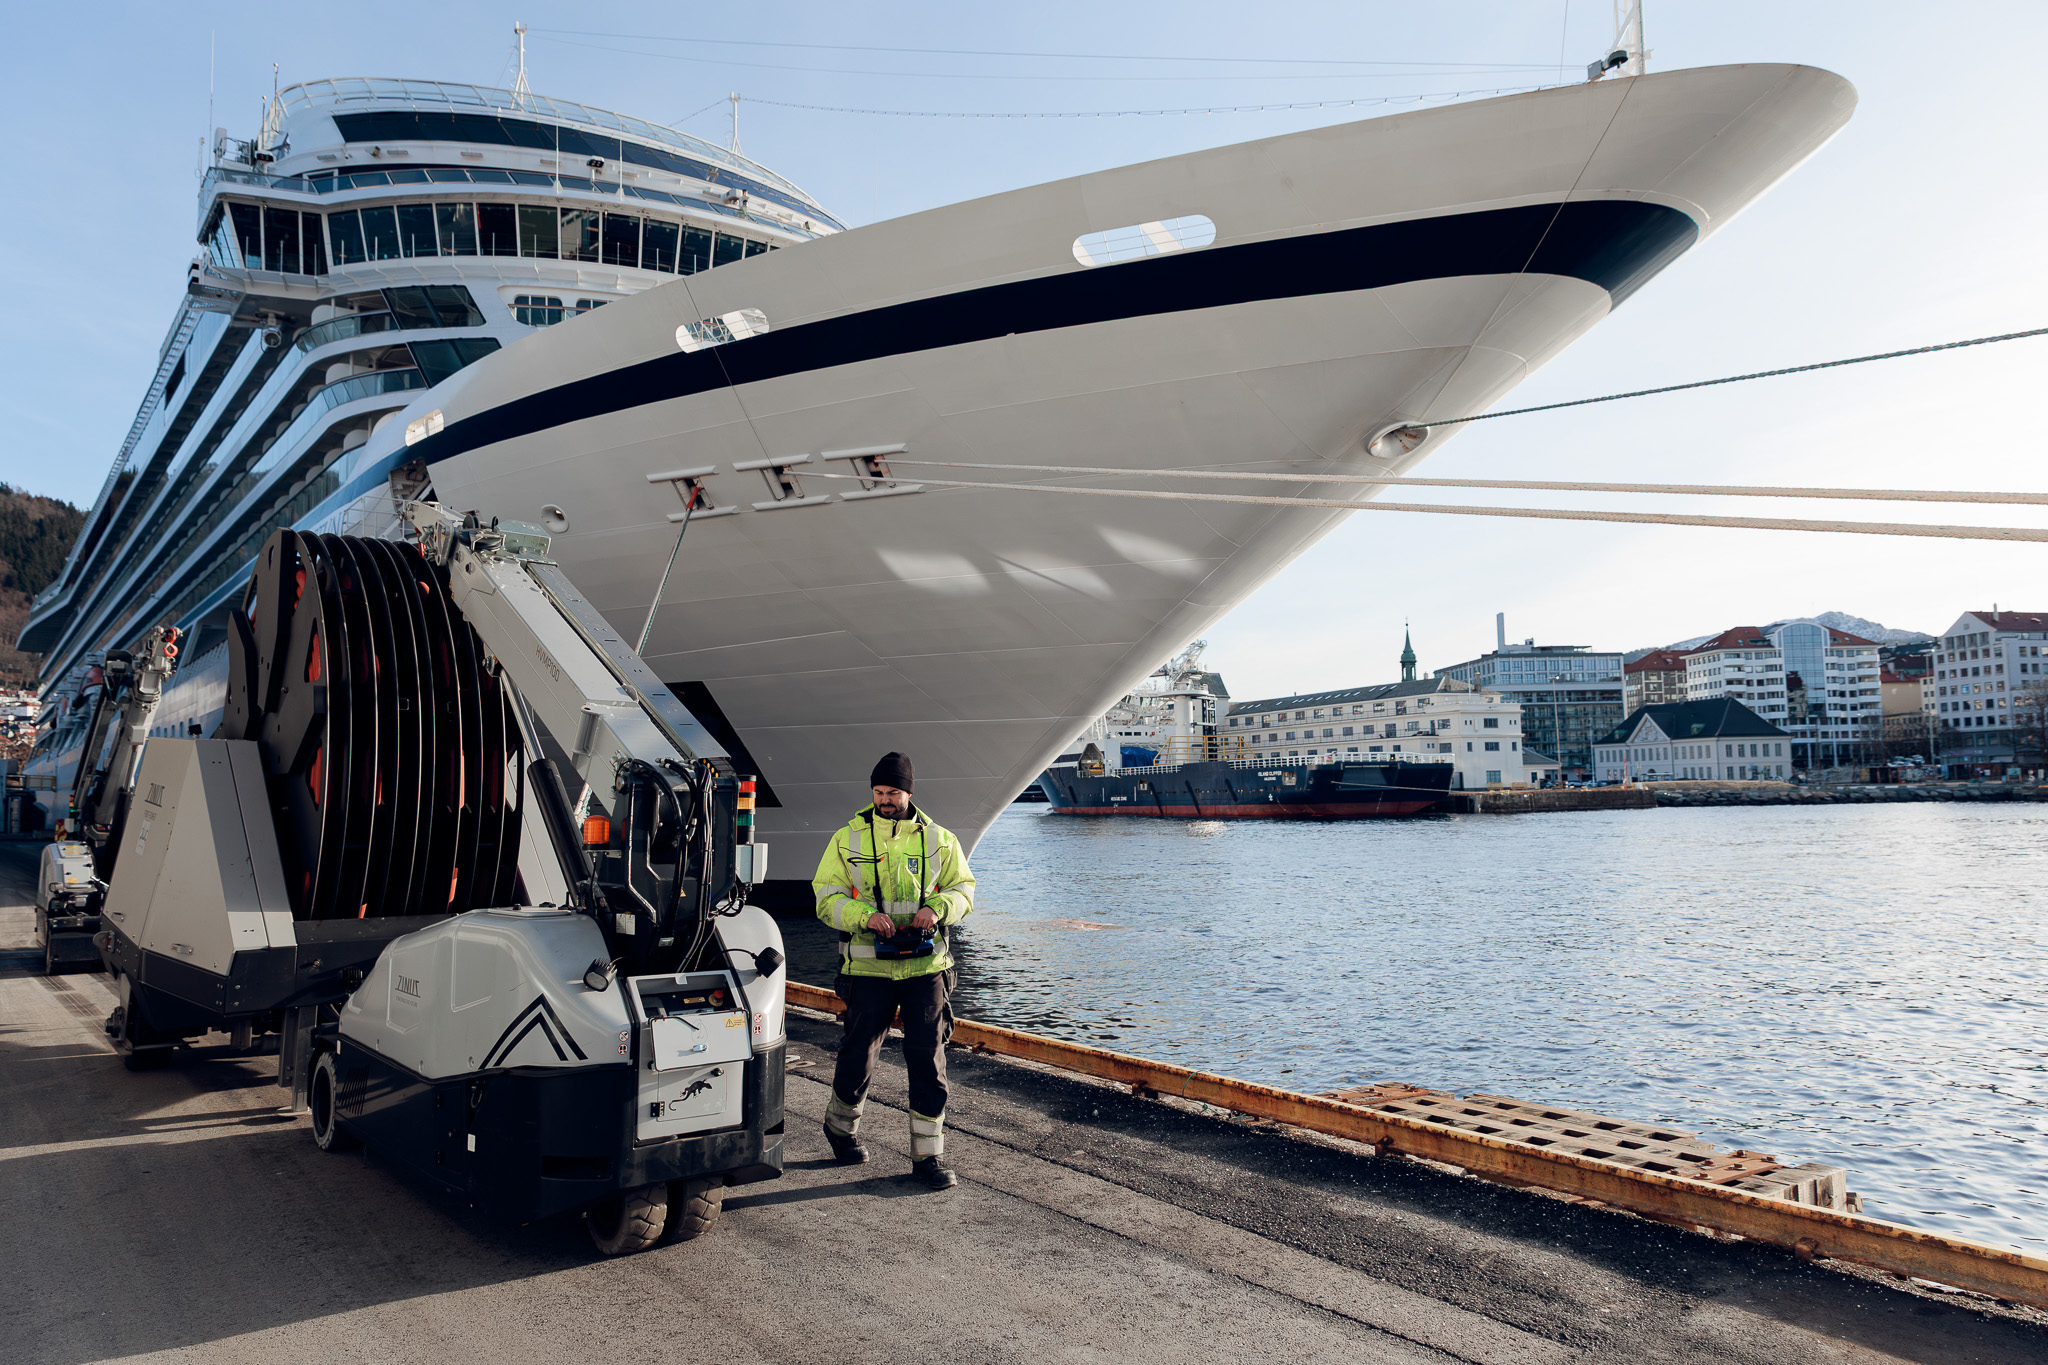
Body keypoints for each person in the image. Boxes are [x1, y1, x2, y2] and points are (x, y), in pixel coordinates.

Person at [811, 751, 975, 1189]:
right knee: (858, 1054)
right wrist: (864, 917)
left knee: (927, 1059)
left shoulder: (941, 839)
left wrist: (937, 908)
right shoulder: (848, 839)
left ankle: (928, 1158)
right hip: (868, 969)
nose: (885, 800)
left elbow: (964, 890)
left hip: (926, 968)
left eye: (893, 792)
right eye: (879, 792)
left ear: (909, 792)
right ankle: (840, 1130)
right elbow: (826, 897)